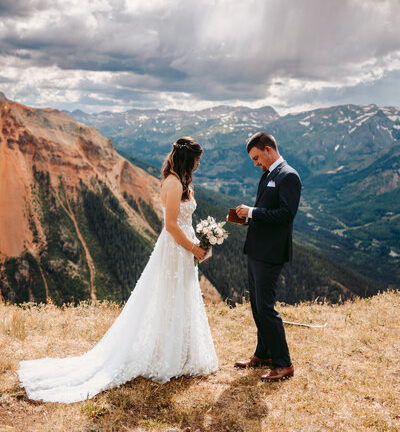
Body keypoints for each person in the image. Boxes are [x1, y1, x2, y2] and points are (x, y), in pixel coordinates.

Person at [18, 137, 218, 403]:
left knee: (181, 296)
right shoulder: (172, 183)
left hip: (185, 247)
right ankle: (168, 354)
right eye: (196, 159)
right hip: (175, 248)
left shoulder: (180, 181)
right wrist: (193, 247)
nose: (198, 164)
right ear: (187, 159)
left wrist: (202, 241)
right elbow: (170, 225)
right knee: (169, 298)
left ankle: (182, 352)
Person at [233, 132, 301, 381]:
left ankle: (284, 364)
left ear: (268, 149)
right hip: (256, 250)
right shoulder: (268, 175)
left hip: (271, 253)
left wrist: (252, 212)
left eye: (256, 157)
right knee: (257, 306)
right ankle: (263, 354)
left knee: (266, 308)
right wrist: (248, 217)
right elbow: (266, 212)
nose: (255, 163)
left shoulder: (289, 176)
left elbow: (285, 214)